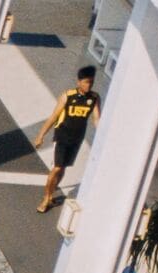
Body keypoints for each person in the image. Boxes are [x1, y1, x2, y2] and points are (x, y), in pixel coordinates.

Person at [36, 65, 101, 215]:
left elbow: (96, 118)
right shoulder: (68, 96)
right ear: (79, 82)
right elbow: (54, 116)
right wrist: (41, 135)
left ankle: (51, 194)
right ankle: (46, 198)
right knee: (57, 168)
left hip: (77, 138)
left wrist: (101, 136)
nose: (89, 85)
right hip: (62, 136)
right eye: (86, 82)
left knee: (63, 168)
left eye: (91, 82)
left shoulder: (94, 98)